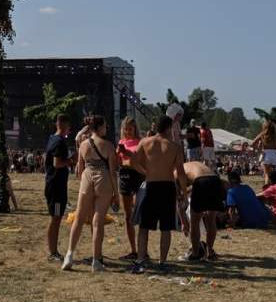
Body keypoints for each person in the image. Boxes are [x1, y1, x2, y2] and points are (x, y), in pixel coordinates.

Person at [129, 114, 187, 274]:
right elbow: (181, 173)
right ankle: (162, 261)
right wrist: (183, 193)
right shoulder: (174, 147)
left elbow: (133, 162)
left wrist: (146, 172)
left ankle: (141, 260)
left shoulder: (145, 142)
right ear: (169, 128)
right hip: (167, 187)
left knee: (144, 226)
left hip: (149, 186)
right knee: (166, 228)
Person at [62, 115, 119, 273]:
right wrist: (116, 194)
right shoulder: (108, 145)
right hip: (103, 179)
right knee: (98, 220)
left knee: (79, 218)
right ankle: (96, 260)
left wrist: (85, 182)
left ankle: (69, 255)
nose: (106, 129)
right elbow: (113, 172)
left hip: (87, 177)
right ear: (99, 127)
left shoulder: (83, 144)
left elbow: (79, 170)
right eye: (105, 126)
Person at [182, 155, 224, 261]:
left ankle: (195, 254)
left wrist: (183, 222)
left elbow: (179, 199)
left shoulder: (177, 170)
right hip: (215, 179)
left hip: (201, 181)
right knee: (211, 219)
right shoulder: (192, 165)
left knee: (194, 220)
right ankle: (210, 251)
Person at [44, 114, 73, 261]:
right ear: (64, 125)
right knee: (55, 218)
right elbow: (57, 163)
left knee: (56, 217)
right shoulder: (59, 142)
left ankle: (53, 250)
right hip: (56, 187)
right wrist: (70, 161)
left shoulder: (52, 139)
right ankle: (53, 252)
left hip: (54, 185)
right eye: (68, 127)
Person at [115, 117, 144, 261]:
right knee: (128, 216)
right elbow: (119, 162)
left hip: (137, 178)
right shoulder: (121, 142)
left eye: (130, 129)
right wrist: (117, 155)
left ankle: (142, 249)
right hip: (124, 177)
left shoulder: (140, 142)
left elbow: (136, 162)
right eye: (125, 129)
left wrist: (126, 155)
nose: (128, 132)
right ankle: (134, 250)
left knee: (139, 213)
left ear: (135, 129)